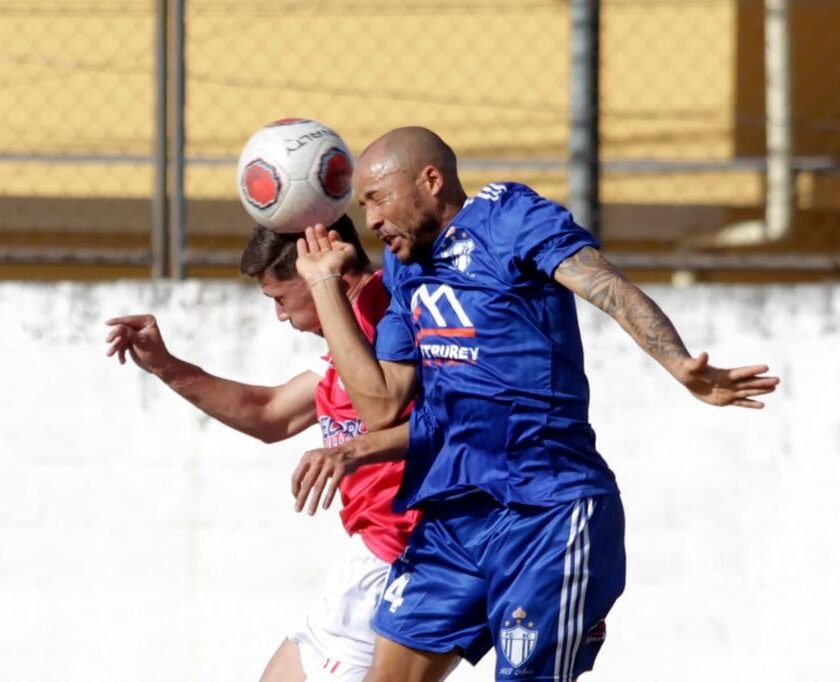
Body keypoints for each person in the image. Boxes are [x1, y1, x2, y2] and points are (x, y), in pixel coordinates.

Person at [291, 126, 780, 682]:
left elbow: (606, 286)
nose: (371, 220)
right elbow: (380, 405)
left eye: (377, 199)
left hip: (547, 510)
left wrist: (678, 363)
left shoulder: (509, 216)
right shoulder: (405, 267)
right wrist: (325, 286)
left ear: (430, 181)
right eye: (363, 206)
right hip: (454, 515)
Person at [104, 215, 423, 682]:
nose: (279, 316)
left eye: (278, 298)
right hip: (367, 559)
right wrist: (166, 366)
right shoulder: (346, 340)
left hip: (397, 557)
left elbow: (449, 423)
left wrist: (350, 453)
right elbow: (271, 413)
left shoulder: (388, 315)